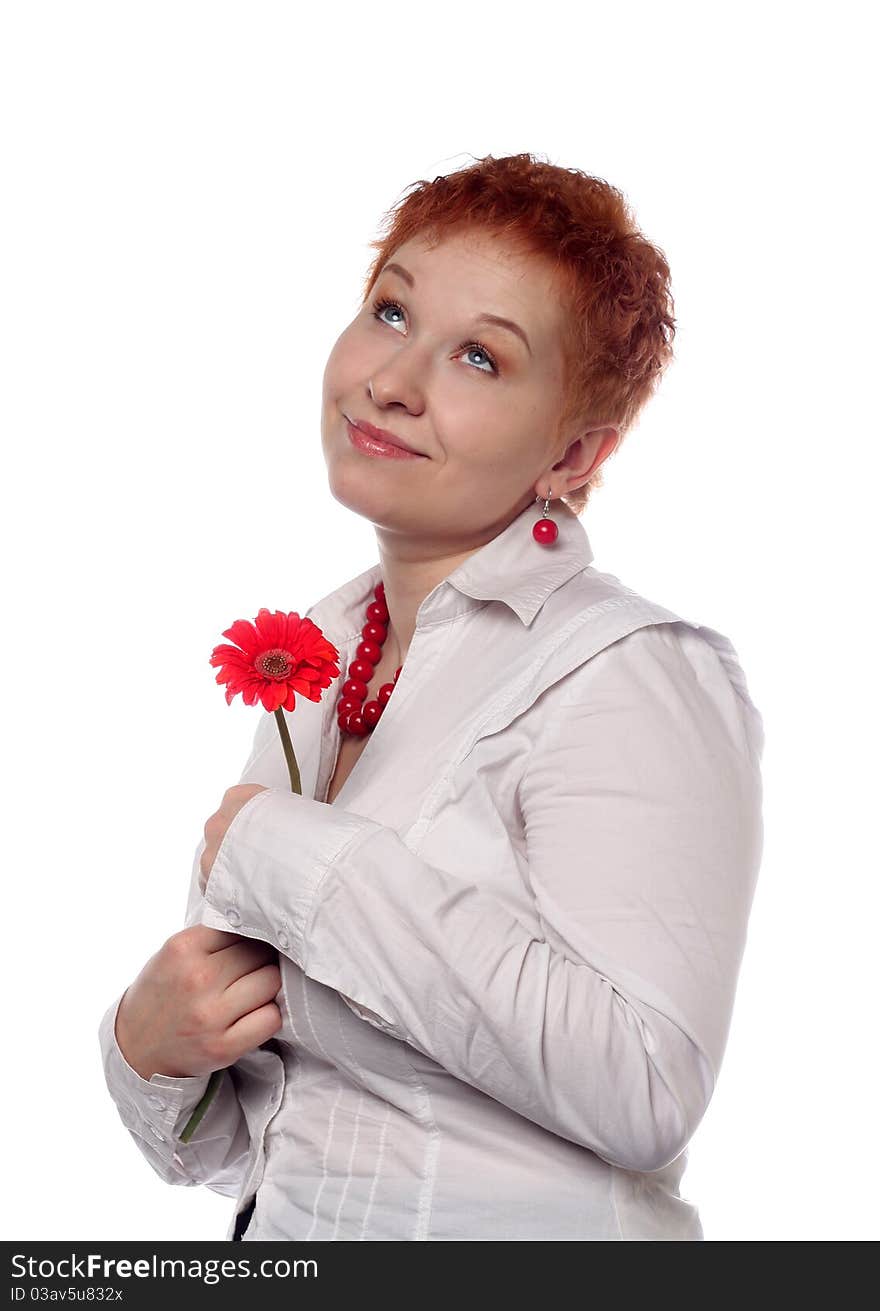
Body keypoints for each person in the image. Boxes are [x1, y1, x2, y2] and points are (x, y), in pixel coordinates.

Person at [98, 152, 765, 1241]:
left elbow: (645, 1088)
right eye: (390, 310)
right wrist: (148, 1050)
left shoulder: (629, 668)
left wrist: (292, 858)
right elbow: (269, 1141)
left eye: (479, 357)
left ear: (576, 451)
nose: (392, 381)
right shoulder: (320, 660)